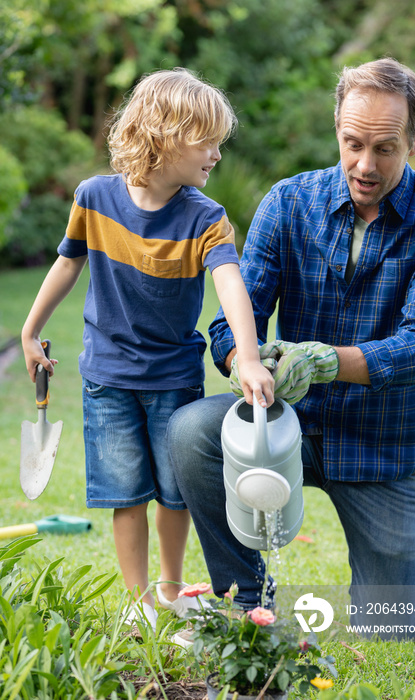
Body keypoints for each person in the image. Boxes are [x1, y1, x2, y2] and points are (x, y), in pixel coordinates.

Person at [167, 58, 415, 639]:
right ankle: (246, 602)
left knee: (391, 628)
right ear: (336, 127)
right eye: (353, 143)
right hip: (286, 426)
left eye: (385, 148)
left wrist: (323, 359)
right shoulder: (289, 204)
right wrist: (248, 362)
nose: (364, 164)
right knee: (192, 432)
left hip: (386, 441)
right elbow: (233, 325)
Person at [21, 68, 274, 633]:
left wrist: (250, 358)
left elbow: (230, 283)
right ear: (164, 135)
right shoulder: (95, 197)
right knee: (125, 492)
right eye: (206, 141)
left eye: (219, 143)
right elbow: (68, 262)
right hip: (106, 376)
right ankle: (136, 600)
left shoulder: (205, 218)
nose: (216, 154)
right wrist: (30, 330)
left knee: (174, 492)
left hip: (173, 377)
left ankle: (168, 586)